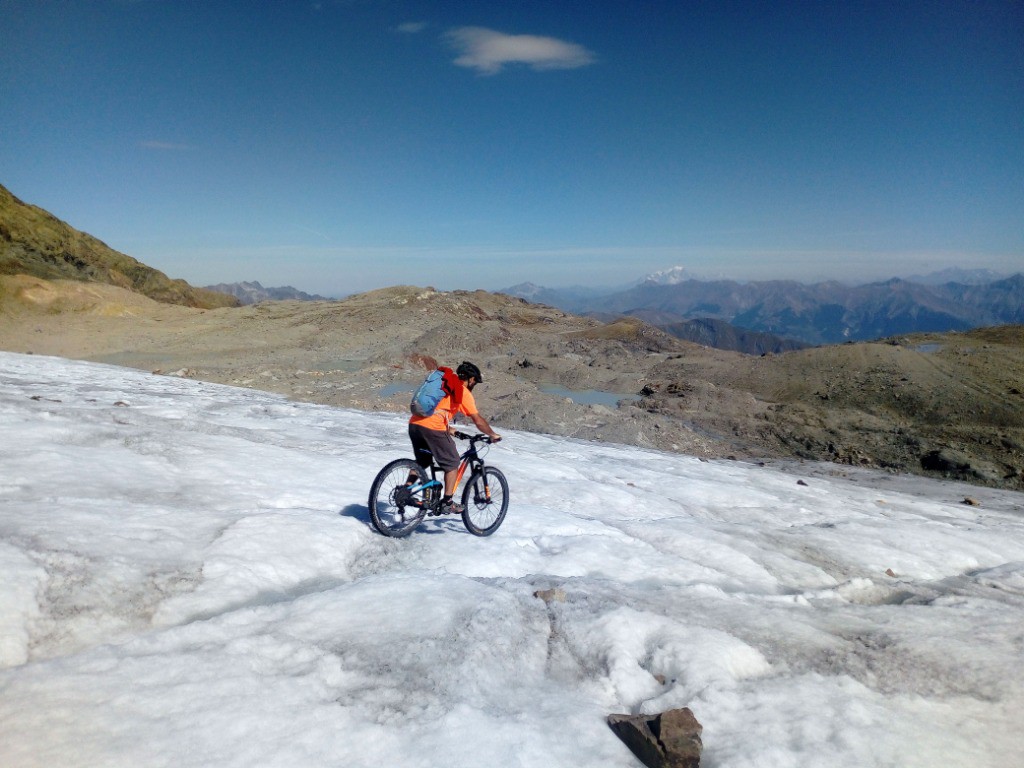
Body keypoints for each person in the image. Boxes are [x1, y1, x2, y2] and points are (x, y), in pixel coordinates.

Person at [408, 361, 501, 514]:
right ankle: (447, 502)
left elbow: (438, 409)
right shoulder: (462, 391)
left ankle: (405, 491)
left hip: (414, 424)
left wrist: (449, 428)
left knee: (422, 461)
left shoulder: (446, 386)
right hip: (432, 427)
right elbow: (477, 420)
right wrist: (492, 434)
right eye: (475, 382)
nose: (474, 385)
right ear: (471, 379)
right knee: (452, 462)